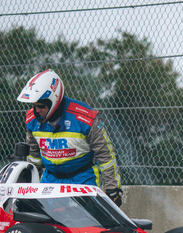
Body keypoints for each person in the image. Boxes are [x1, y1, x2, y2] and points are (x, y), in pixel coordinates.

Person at [17, 69, 123, 206]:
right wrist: (29, 187)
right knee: (46, 225)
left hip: (83, 179)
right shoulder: (31, 120)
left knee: (85, 225)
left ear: (53, 101)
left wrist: (112, 189)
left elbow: (106, 156)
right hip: (50, 180)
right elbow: (34, 157)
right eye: (34, 106)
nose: (37, 110)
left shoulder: (86, 119)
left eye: (41, 106)